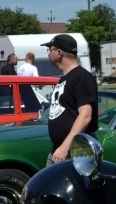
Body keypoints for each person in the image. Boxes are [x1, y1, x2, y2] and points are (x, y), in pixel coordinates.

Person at [42, 34, 98, 165]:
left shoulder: (81, 77)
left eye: (50, 50)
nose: (48, 54)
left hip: (76, 151)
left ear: (59, 52)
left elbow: (85, 116)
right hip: (59, 150)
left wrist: (65, 147)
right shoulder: (65, 78)